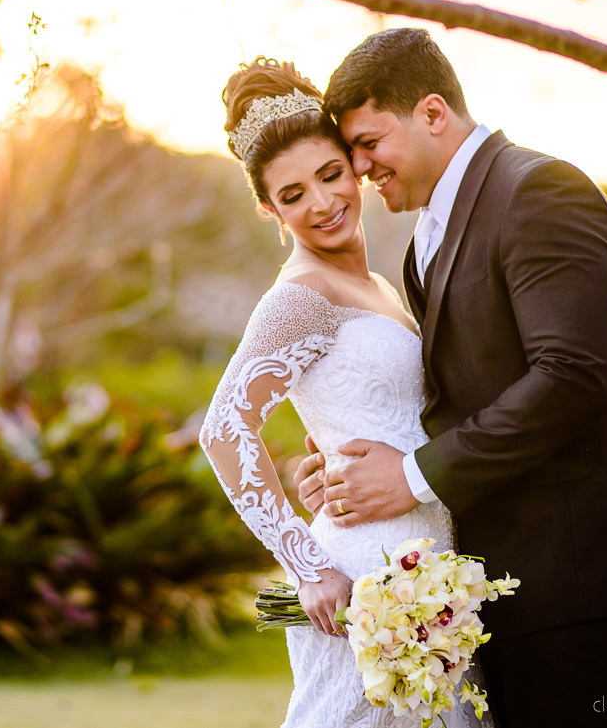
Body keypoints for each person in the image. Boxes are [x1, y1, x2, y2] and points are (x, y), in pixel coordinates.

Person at [294, 28, 607, 727]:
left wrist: (412, 475)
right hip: (512, 586)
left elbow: (574, 376)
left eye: (369, 142)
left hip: (585, 583)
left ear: (432, 113)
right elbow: (464, 394)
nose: (359, 169)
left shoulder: (540, 191)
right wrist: (348, 467)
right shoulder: (427, 239)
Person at [199, 58, 484, 727]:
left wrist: (320, 458)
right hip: (361, 581)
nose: (323, 203)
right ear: (269, 208)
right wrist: (308, 568)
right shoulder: (300, 297)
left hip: (427, 562)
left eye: (330, 175)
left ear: (354, 168)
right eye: (293, 194)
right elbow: (224, 431)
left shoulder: (380, 285)